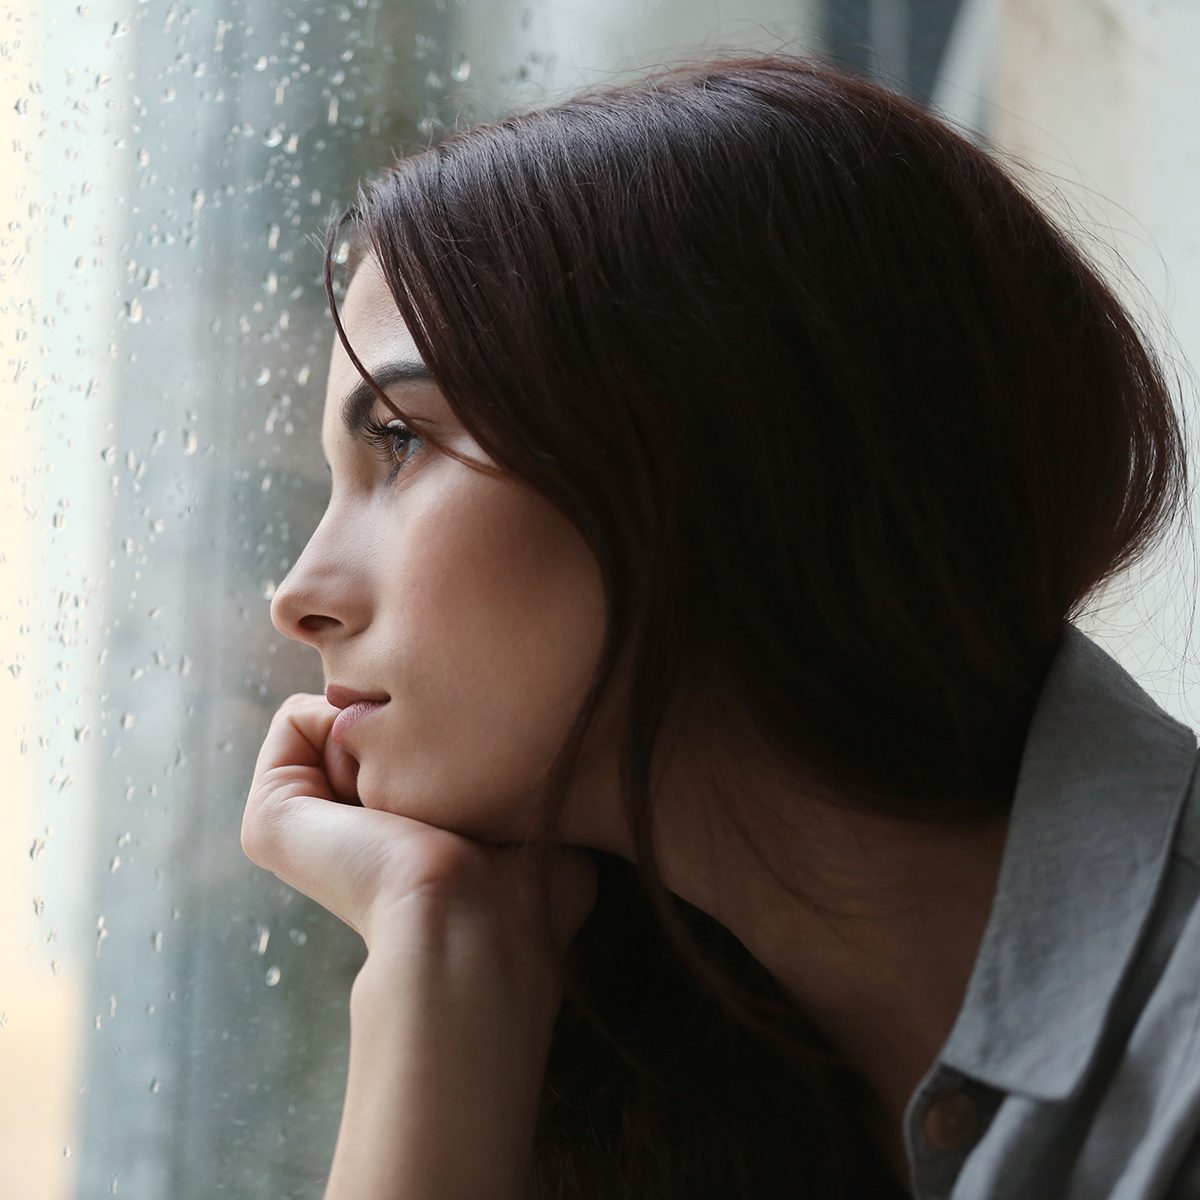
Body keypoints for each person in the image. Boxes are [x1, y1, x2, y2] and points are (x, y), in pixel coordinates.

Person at [242, 50, 1200, 1199]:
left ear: (728, 447)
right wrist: (438, 946)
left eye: (398, 443)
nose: (298, 593)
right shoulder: (660, 1083)